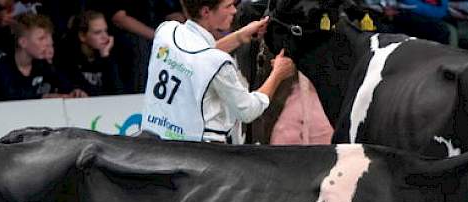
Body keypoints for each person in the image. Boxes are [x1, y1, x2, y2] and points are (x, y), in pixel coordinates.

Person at [141, 0, 295, 143]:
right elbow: (248, 110)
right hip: (201, 153)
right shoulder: (219, 63)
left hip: (155, 141)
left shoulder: (166, 31)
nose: (235, 10)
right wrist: (277, 74)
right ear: (206, 12)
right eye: (228, 6)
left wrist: (239, 37)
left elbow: (198, 57)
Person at [0, 12, 81, 102]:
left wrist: (74, 91)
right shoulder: (1, 64)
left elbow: (64, 83)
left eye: (49, 39)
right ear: (23, 42)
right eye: (41, 38)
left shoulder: (41, 63)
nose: (48, 43)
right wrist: (43, 97)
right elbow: (10, 97)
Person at [59, 10, 124, 97]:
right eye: (97, 32)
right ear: (82, 36)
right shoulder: (68, 57)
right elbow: (84, 91)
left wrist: (105, 56)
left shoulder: (111, 53)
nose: (105, 37)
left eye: (106, 31)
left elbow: (118, 92)